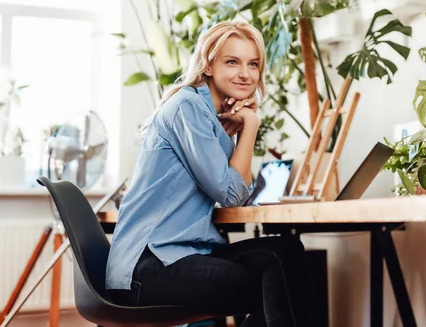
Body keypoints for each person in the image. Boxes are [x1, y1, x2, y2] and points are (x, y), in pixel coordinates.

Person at [105, 21, 313, 327]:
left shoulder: (211, 119)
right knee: (280, 283)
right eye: (232, 61)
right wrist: (250, 128)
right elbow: (231, 195)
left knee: (286, 253)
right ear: (208, 65)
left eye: (253, 64)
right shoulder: (187, 106)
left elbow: (237, 193)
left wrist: (239, 130)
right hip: (146, 267)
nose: (245, 73)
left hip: (181, 255)